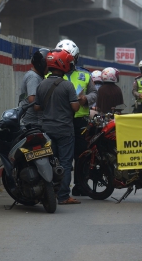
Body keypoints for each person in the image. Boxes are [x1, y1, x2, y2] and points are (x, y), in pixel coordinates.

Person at [34, 49, 81, 205]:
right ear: (63, 65)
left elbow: (37, 107)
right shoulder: (67, 86)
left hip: (46, 129)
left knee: (49, 162)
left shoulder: (41, 84)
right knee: (65, 163)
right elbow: (75, 108)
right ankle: (63, 196)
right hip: (65, 130)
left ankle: (50, 193)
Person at [55, 39, 97, 197]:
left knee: (81, 155)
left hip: (80, 122)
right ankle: (58, 187)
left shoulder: (85, 75)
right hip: (60, 120)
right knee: (59, 156)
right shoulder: (51, 75)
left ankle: (80, 185)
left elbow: (94, 93)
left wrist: (86, 99)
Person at [19, 48, 49, 127]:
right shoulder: (33, 77)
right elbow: (33, 100)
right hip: (32, 123)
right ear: (42, 64)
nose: (49, 68)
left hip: (36, 122)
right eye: (48, 64)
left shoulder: (38, 76)